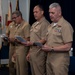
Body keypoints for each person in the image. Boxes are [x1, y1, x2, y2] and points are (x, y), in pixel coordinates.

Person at [42, 3, 74, 75]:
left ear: (59, 13)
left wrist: (51, 48)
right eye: (49, 13)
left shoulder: (65, 26)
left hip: (60, 61)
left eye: (53, 13)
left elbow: (68, 47)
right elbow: (48, 40)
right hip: (49, 59)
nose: (50, 15)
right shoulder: (50, 26)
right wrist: (44, 46)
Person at [23, 5, 50, 75]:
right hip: (33, 53)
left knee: (39, 73)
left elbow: (44, 39)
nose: (34, 14)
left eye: (36, 12)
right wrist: (29, 52)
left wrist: (31, 43)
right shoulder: (34, 24)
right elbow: (32, 38)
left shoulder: (45, 24)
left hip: (39, 53)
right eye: (33, 12)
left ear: (42, 12)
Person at [11, 11, 30, 75]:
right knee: (18, 69)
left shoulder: (26, 25)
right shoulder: (17, 25)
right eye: (12, 18)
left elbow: (28, 39)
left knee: (23, 69)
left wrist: (19, 40)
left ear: (20, 16)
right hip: (17, 48)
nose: (13, 20)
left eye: (15, 18)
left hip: (23, 49)